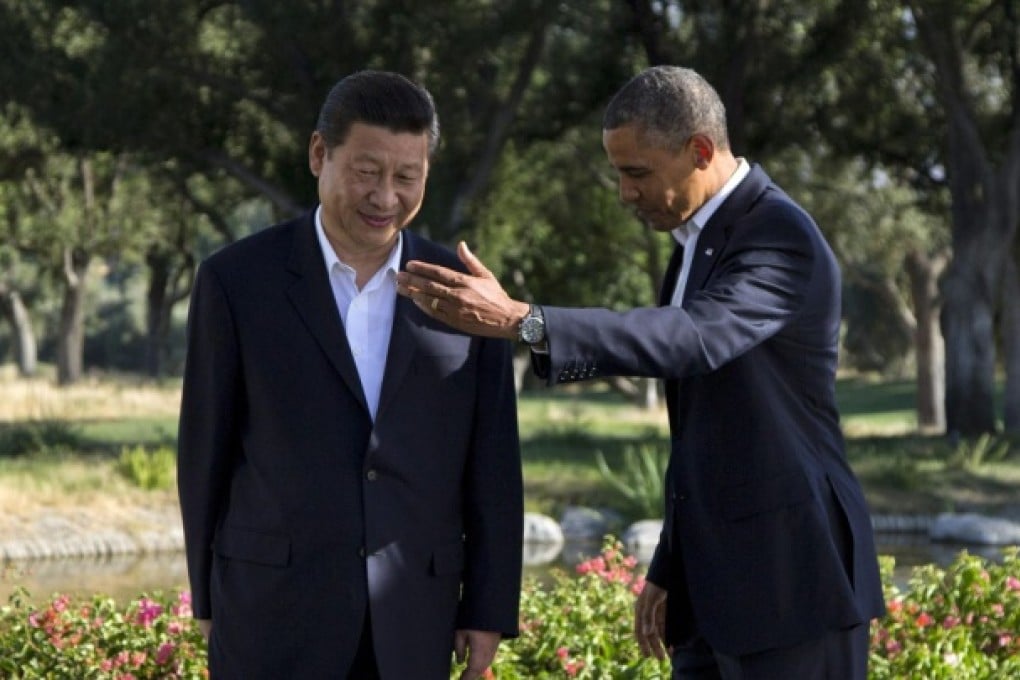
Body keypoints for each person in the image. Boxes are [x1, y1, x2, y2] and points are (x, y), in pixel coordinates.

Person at [396, 65, 885, 679]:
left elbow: (694, 338)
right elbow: (706, 432)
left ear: (700, 150)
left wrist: (526, 321)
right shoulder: (694, 242)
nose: (625, 194)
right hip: (713, 595)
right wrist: (669, 563)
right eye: (618, 174)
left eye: (637, 174)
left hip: (795, 585)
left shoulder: (780, 234)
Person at [177, 70, 523, 680]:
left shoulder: (467, 294)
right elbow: (204, 452)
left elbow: (493, 462)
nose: (385, 197)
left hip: (416, 618)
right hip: (269, 615)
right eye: (367, 172)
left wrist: (490, 608)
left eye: (406, 177)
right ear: (319, 154)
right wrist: (207, 598)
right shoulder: (236, 282)